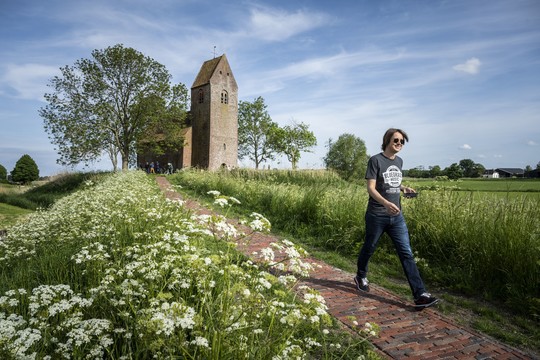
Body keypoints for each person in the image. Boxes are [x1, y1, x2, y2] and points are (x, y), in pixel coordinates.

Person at [354, 128, 439, 309]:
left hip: (397, 217)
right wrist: (385, 203)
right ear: (387, 141)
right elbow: (371, 187)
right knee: (369, 247)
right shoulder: (375, 160)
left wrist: (403, 188)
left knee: (406, 253)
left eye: (402, 142)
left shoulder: (399, 161)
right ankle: (361, 276)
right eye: (396, 141)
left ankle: (420, 295)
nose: (399, 144)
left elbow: (391, 181)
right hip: (377, 215)